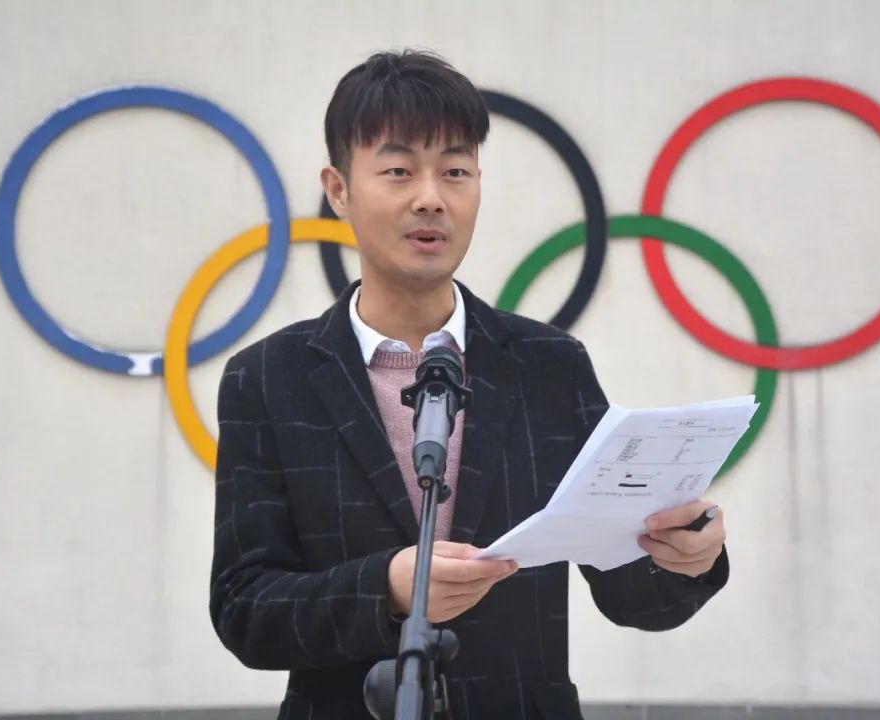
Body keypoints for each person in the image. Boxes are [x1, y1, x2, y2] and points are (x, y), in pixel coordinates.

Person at [210, 49, 730, 720]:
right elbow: (245, 607)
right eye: (398, 171)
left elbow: (631, 594)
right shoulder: (266, 378)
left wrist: (688, 557)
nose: (431, 197)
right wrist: (385, 589)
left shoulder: (549, 364)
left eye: (455, 171)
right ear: (338, 190)